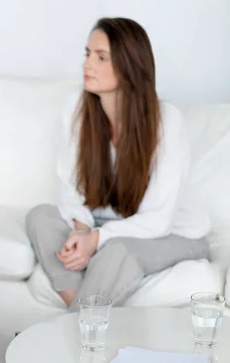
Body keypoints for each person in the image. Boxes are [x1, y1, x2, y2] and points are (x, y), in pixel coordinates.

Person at [25, 18, 210, 310]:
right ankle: (82, 320)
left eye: (101, 58)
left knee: (116, 251)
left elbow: (157, 220)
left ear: (130, 66)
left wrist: (97, 238)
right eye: (87, 54)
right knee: (41, 217)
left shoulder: (166, 121)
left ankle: (70, 335)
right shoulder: (77, 107)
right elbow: (72, 194)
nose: (87, 65)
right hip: (104, 227)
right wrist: (81, 232)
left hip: (170, 233)